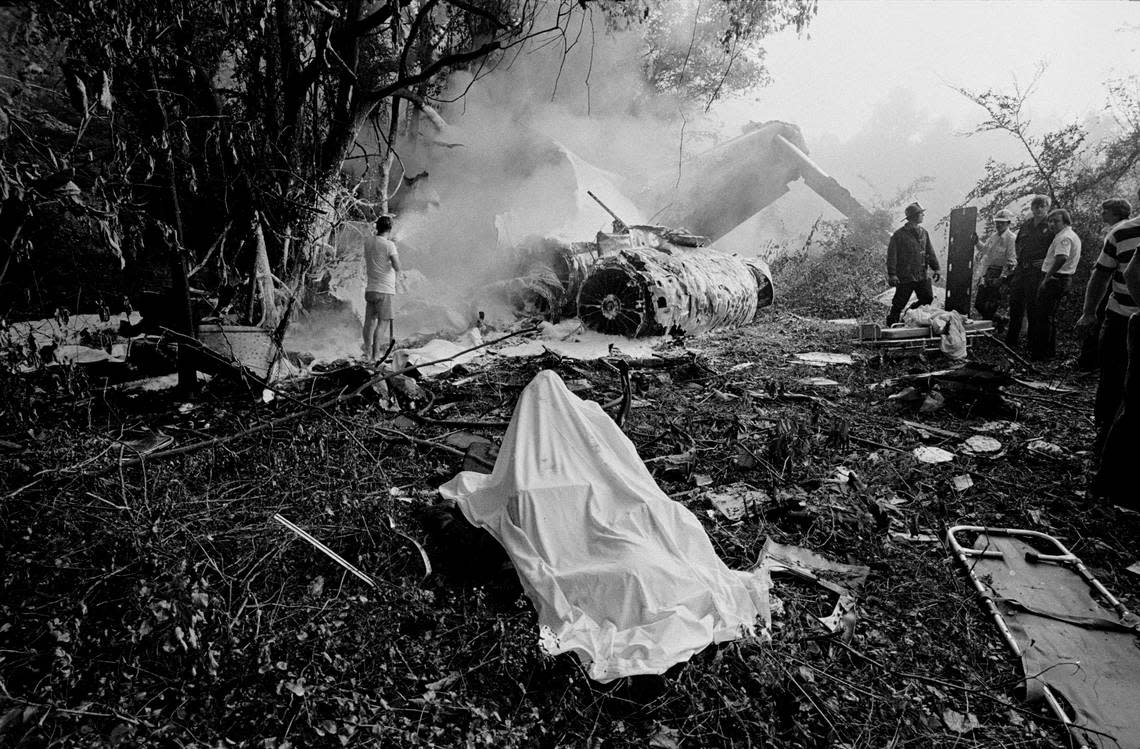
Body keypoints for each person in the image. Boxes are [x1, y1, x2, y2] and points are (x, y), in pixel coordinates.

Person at [1076, 197, 1138, 451]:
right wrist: (1089, 312)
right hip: (1120, 317)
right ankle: (1103, 436)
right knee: (1113, 376)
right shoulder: (1122, 233)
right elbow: (1101, 274)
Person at [1093, 234, 1140, 509]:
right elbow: (1133, 271)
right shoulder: (1124, 233)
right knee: (1130, 401)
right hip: (1122, 316)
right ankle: (1113, 484)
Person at [1075, 199, 1133, 371]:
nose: (1101, 214)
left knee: (1099, 318)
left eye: (1105, 211)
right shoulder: (1116, 229)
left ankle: (1090, 362)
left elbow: (1103, 271)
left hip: (1114, 285)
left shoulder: (1121, 230)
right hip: (1114, 282)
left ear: (1116, 213)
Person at [1027, 208, 1081, 361]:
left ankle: (1041, 354)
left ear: (1065, 221)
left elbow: (1062, 257)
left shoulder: (1064, 237)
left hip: (1056, 279)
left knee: (1043, 316)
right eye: (1050, 221)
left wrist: (1047, 277)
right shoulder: (1066, 235)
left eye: (1056, 221)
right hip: (1059, 278)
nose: (1052, 224)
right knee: (1048, 316)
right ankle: (1047, 352)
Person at [1007, 195, 1055, 348]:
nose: (1039, 209)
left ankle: (1032, 343)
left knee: (1034, 307)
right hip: (1022, 270)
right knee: (1015, 305)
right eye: (1036, 206)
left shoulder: (1051, 225)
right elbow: (1018, 243)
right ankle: (1011, 341)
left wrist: (1047, 261)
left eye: (1042, 206)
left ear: (1047, 208)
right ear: (1032, 208)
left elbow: (1057, 248)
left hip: (1036, 272)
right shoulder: (1027, 224)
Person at [886, 202, 941, 326]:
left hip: (922, 275)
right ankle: (890, 326)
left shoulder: (924, 233)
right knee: (898, 303)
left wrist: (936, 268)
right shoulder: (899, 235)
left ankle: (908, 314)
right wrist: (892, 274)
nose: (923, 215)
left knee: (927, 300)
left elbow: (929, 251)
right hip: (905, 277)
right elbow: (892, 256)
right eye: (921, 213)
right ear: (914, 216)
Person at [362, 214, 401, 361]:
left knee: (369, 322)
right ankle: (376, 355)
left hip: (370, 288)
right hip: (384, 290)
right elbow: (397, 266)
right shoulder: (389, 245)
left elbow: (378, 253)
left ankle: (367, 352)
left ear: (377, 227)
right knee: (383, 322)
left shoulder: (368, 241)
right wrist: (393, 249)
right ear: (390, 228)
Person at [972, 209, 1017, 321]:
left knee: (991, 305)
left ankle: (989, 327)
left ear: (1008, 223)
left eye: (1002, 222)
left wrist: (1002, 278)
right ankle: (999, 320)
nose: (999, 225)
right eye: (997, 222)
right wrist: (977, 242)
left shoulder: (1011, 239)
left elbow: (1011, 261)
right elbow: (985, 250)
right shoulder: (994, 236)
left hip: (1000, 274)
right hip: (989, 272)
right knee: (979, 304)